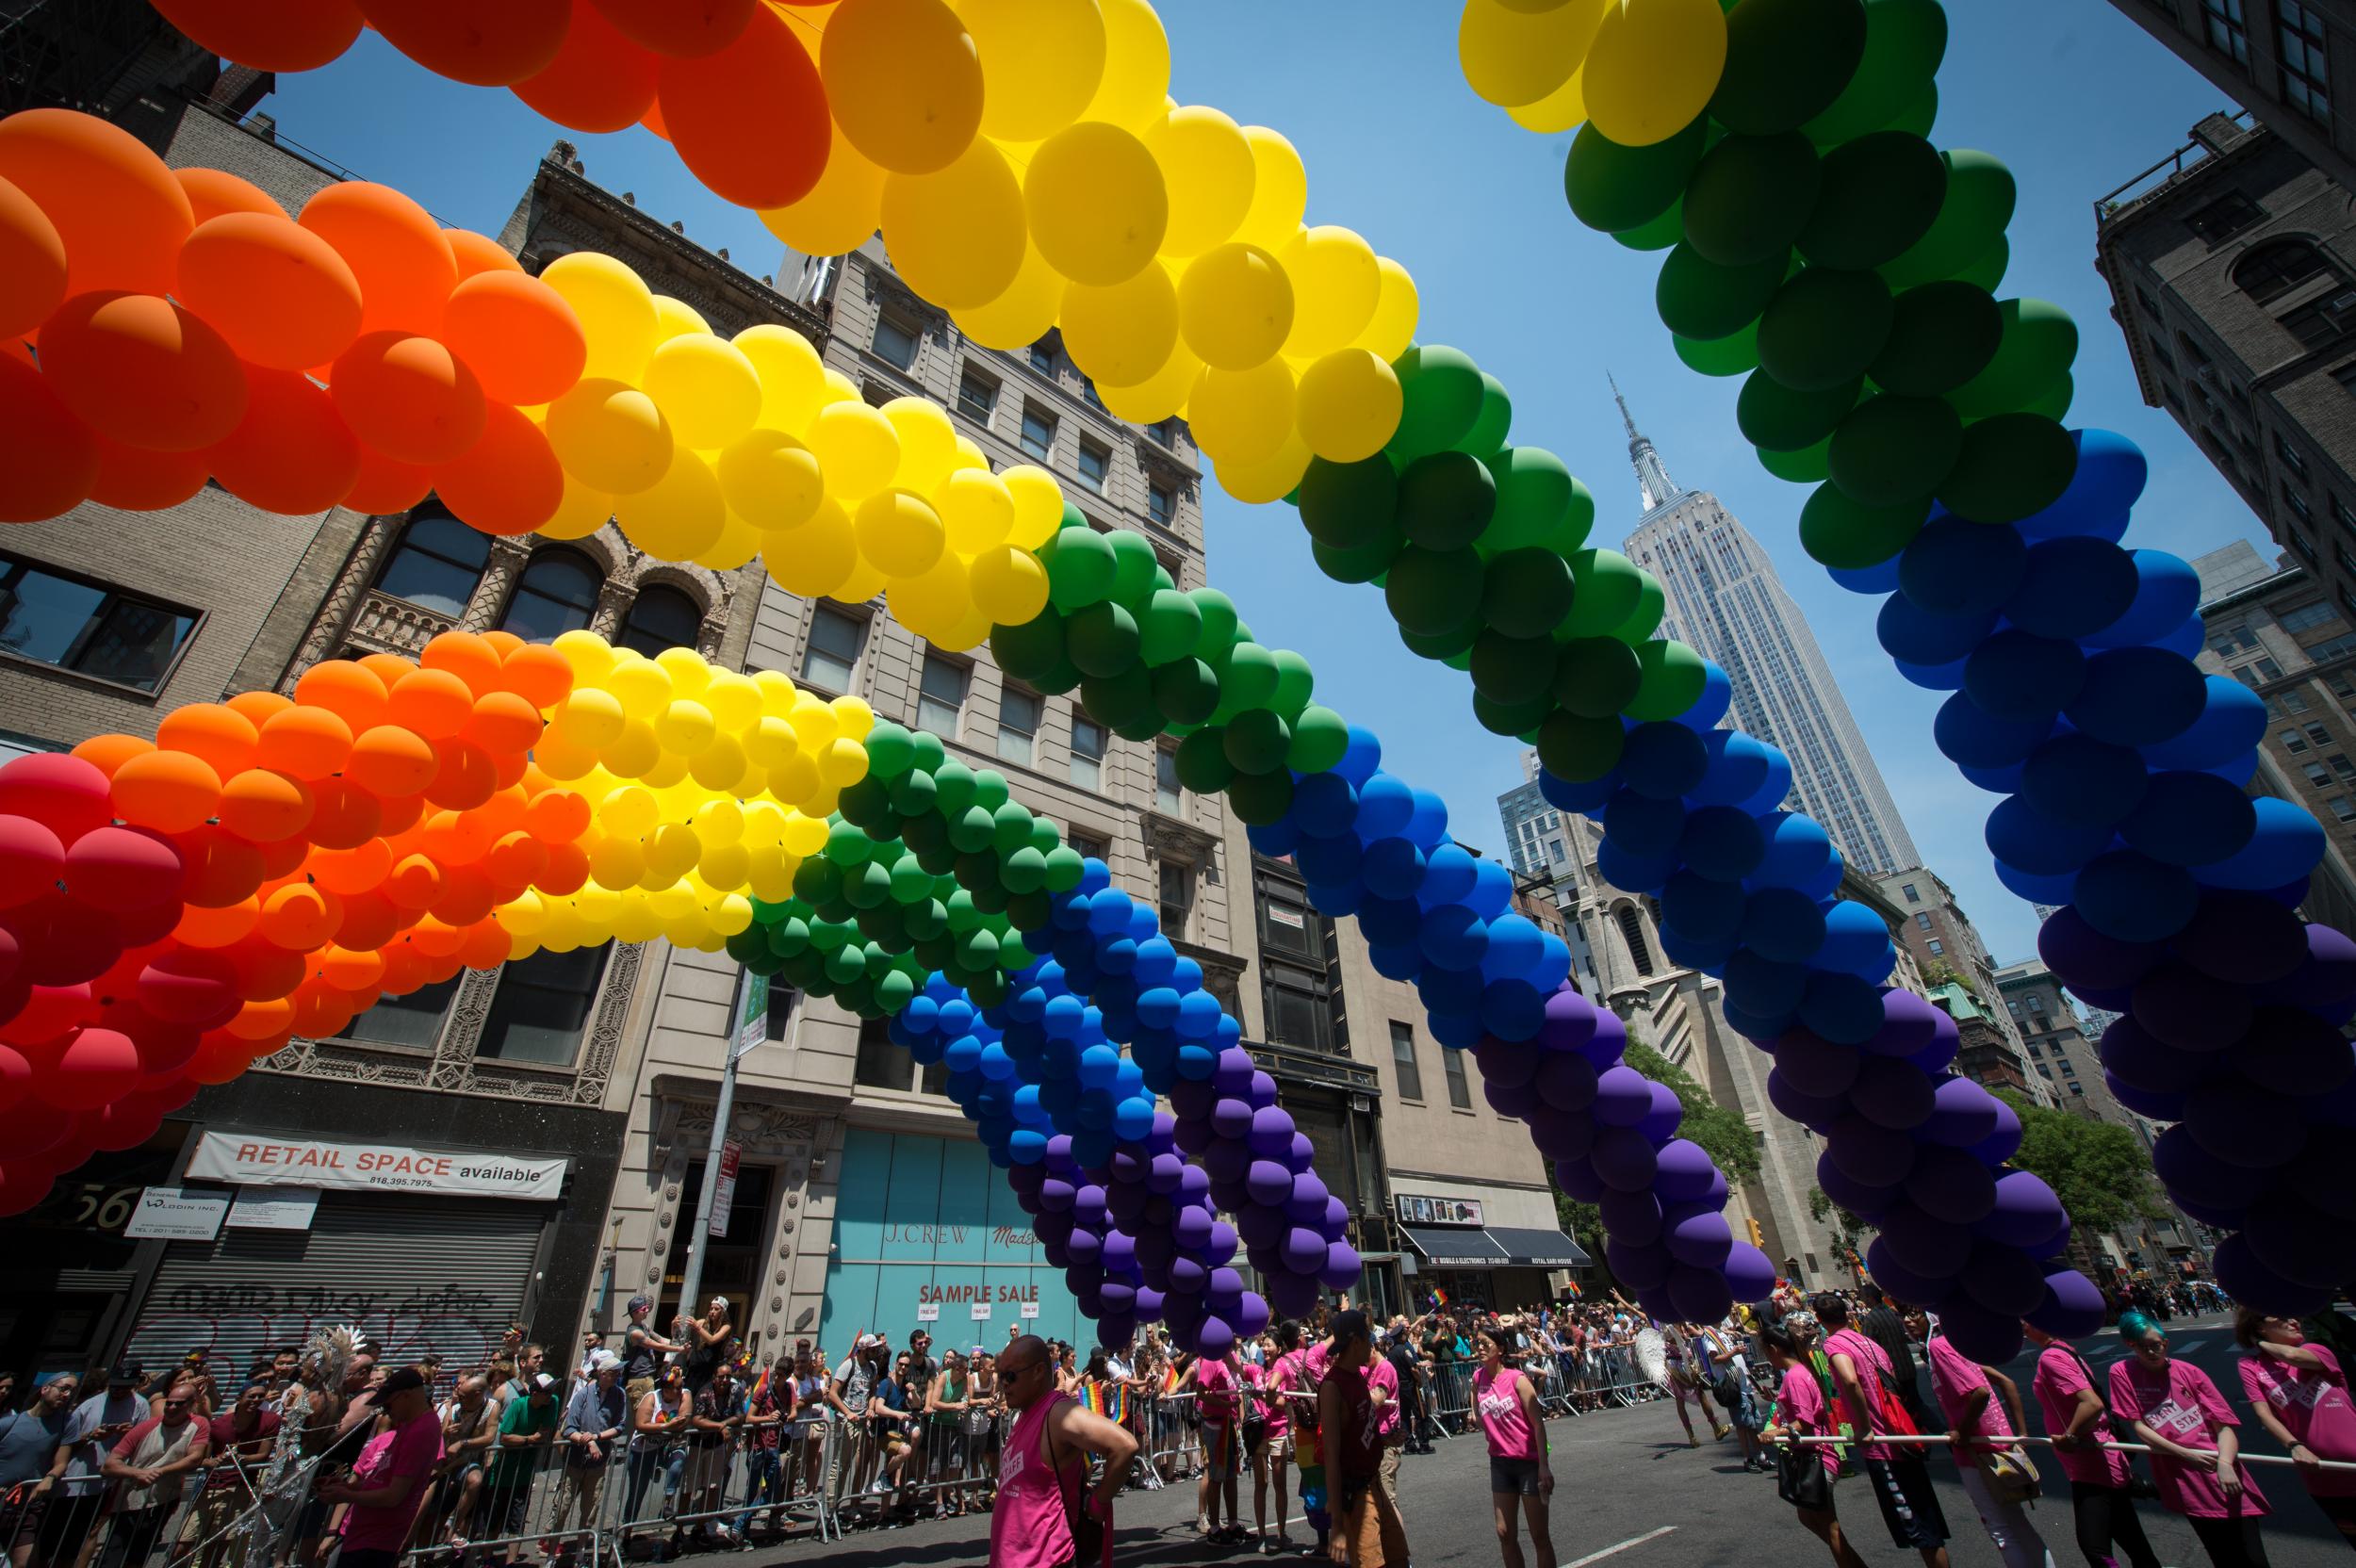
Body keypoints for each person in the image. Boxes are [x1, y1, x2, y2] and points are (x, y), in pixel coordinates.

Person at [2111, 1310, 2269, 1568]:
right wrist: (2184, 1454)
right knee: (2222, 1556)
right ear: (2131, 1346)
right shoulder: (2122, 1372)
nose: (2151, 1352)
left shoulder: (2189, 1372)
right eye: (2141, 1347)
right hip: (2184, 1476)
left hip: (2221, 1470)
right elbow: (2138, 1425)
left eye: (2156, 1345)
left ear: (2166, 1343)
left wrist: (2226, 1464)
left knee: (2253, 1557)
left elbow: (2225, 1426)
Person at [1820, 1294, 1950, 1568]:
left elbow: (1850, 1380)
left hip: (1884, 1444)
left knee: (1920, 1528)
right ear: (1848, 1314)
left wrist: (1865, 1427)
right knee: (1926, 1523)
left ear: (1820, 1320)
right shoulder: (1868, 1343)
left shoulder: (1835, 1344)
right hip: (1901, 1432)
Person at [990, 1334, 1137, 1568]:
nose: (1004, 1383)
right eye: (1001, 1375)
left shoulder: (1057, 1412)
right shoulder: (1027, 1411)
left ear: (1039, 1371)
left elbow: (1125, 1446)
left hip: (1046, 1560)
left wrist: (1097, 1506)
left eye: (1011, 1376)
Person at [1922, 1331, 2053, 1568]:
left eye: (1914, 1313)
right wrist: (2020, 1434)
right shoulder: (1959, 1342)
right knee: (2018, 1523)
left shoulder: (1940, 1346)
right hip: (1999, 1444)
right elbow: (2006, 1382)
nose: (1909, 1321)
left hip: (1977, 1453)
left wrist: (1962, 1432)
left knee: (2001, 1531)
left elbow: (1980, 1393)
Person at [2234, 1307, 2356, 1548]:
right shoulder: (2251, 1366)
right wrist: (2294, 1445)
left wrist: (2258, 1341)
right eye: (2283, 1317)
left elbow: (2293, 1357)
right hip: (2325, 1477)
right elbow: (2264, 1414)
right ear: (2260, 1325)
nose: (2294, 1321)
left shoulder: (2316, 1350)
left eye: (2294, 1316)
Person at [1760, 1324, 1868, 1568]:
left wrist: (1775, 1432)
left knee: (1830, 1528)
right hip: (1809, 1456)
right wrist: (1777, 1399)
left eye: (1766, 1352)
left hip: (1817, 1456)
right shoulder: (1797, 1373)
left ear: (1774, 1349)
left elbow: (1804, 1423)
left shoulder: (1796, 1376)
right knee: (1808, 1517)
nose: (1767, 1357)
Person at [319, 1367, 441, 1568]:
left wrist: (346, 1496)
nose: (385, 1409)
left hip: (378, 1539)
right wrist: (347, 1487)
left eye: (388, 1403)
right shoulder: (407, 1425)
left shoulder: (421, 1431)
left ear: (406, 1396)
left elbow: (394, 1496)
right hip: (364, 1533)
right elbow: (381, 1479)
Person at [1318, 1312, 1407, 1568]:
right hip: (1356, 1494)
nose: (1372, 1345)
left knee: (1399, 1558)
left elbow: (1361, 1431)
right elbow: (1332, 1456)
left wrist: (1387, 1440)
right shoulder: (1332, 1387)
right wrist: (1336, 1524)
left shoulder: (1358, 1376)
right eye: (1368, 1339)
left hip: (1375, 1482)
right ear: (1355, 1341)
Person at [95, 1379, 209, 1568]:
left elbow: (194, 1458)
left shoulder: (199, 1424)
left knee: (138, 1556)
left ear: (191, 1405)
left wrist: (160, 1471)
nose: (172, 1407)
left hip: (162, 1501)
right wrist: (137, 1473)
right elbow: (109, 1465)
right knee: (113, 1556)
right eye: (169, 1402)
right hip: (129, 1502)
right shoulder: (147, 1427)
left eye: (179, 1404)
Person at [1472, 1329, 1555, 1568]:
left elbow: (1538, 1425)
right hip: (1500, 1463)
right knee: (1504, 1532)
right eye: (1478, 1343)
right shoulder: (1478, 1379)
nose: (1480, 1348)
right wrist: (1474, 1416)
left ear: (1501, 1349)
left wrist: (1544, 1466)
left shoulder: (1517, 1379)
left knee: (1539, 1535)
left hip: (1528, 1463)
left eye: (1486, 1344)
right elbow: (1476, 1413)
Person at [179, 1380, 280, 1568]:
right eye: (252, 1396)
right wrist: (214, 1461)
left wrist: (240, 1458)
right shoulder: (218, 1425)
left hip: (240, 1490)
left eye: (260, 1396)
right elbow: (203, 1458)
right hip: (211, 1488)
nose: (256, 1400)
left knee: (217, 1547)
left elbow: (263, 1454)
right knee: (184, 1542)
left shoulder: (270, 1420)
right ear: (239, 1398)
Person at [474, 1373, 556, 1567]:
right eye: (546, 1392)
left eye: (552, 1391)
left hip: (524, 1476)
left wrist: (535, 1438)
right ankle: (487, 1559)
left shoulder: (551, 1403)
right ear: (534, 1393)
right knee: (493, 1519)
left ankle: (510, 1563)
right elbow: (505, 1437)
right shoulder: (518, 1405)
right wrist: (529, 1439)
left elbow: (544, 1434)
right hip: (502, 1473)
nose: (550, 1395)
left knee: (516, 1522)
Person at [2, 1372, 76, 1568]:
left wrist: (50, 1478)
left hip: (27, 1506)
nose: (67, 1395)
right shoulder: (9, 1423)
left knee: (25, 1563)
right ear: (45, 1389)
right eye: (64, 1388)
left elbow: (61, 1462)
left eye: (72, 1391)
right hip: (1, 1500)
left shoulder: (67, 1423)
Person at [553, 1353, 626, 1552]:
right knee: (563, 1507)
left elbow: (619, 1426)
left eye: (618, 1372)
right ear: (602, 1374)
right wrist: (587, 1441)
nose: (618, 1376)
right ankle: (551, 1552)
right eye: (613, 1373)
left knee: (590, 1510)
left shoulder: (619, 1395)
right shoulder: (583, 1395)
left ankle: (580, 1553)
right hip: (575, 1461)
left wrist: (596, 1438)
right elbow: (569, 1429)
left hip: (597, 1463)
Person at [1185, 1340, 1244, 1544]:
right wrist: (1225, 1403)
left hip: (1228, 1423)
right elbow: (1201, 1393)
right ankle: (1215, 1528)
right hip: (1214, 1425)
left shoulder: (1228, 1360)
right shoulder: (1210, 1361)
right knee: (1216, 1476)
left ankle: (1234, 1525)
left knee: (1230, 1476)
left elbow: (1242, 1377)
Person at [678, 1364, 742, 1549]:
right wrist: (720, 1427)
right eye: (721, 1377)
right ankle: (679, 1529)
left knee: (712, 1488)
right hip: (698, 1445)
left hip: (718, 1445)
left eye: (728, 1377)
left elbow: (740, 1416)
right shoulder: (705, 1392)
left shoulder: (735, 1390)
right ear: (714, 1377)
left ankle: (700, 1527)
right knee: (689, 1489)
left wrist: (721, 1424)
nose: (724, 1380)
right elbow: (697, 1419)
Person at [622, 1366, 690, 1529]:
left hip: (667, 1445)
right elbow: (640, 1425)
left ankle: (668, 1502)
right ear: (666, 1389)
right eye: (677, 1387)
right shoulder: (651, 1398)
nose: (681, 1390)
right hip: (643, 1448)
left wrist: (663, 1427)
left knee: (679, 1458)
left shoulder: (685, 1395)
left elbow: (683, 1422)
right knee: (637, 1491)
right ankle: (627, 1529)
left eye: (682, 1386)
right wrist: (667, 1425)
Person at [1250, 1328, 1296, 1556]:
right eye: (1263, 1345)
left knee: (1279, 1485)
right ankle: (1261, 1535)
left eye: (1269, 1345)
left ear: (1279, 1349)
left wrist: (1263, 1396)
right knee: (1261, 1485)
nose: (1265, 1349)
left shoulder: (1284, 1370)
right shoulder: (1256, 1370)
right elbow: (1236, 1366)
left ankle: (1281, 1532)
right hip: (1258, 1433)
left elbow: (1283, 1402)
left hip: (1278, 1432)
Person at [1858, 1286, 1932, 1429]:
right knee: (1915, 1403)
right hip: (1907, 1365)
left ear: (1869, 1298)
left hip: (1893, 1372)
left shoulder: (1871, 1320)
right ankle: (1927, 1433)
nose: (1863, 1301)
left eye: (1864, 1297)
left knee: (1905, 1408)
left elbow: (1867, 1347)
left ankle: (1927, 1435)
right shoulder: (1893, 1313)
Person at [732, 1364, 788, 1543]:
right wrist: (768, 1418)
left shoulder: (787, 1390)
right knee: (751, 1491)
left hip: (773, 1446)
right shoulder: (764, 1389)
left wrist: (784, 1418)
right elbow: (749, 1417)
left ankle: (739, 1525)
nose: (776, 1377)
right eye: (775, 1374)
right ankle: (743, 1532)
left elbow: (791, 1412)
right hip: (758, 1446)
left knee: (772, 1491)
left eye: (780, 1375)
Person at [924, 1350, 970, 1519]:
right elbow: (935, 1402)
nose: (967, 1371)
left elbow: (966, 1398)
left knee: (954, 1464)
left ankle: (947, 1495)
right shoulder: (943, 1377)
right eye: (965, 1369)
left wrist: (962, 1405)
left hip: (954, 1425)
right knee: (937, 1465)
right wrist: (955, 1406)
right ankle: (939, 1503)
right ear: (957, 1368)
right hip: (940, 1424)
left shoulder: (964, 1380)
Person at [619, 1298, 683, 1412]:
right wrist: (679, 1349)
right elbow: (657, 1346)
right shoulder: (635, 1332)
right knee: (643, 1413)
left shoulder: (644, 1327)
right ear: (634, 1313)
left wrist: (674, 1329)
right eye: (644, 1309)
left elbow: (662, 1340)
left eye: (647, 1308)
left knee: (652, 1412)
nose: (647, 1311)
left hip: (648, 1376)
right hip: (639, 1379)